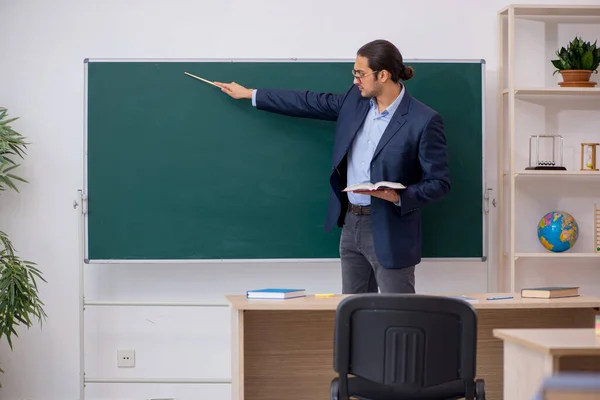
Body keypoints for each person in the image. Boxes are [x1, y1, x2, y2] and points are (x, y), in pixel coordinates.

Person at [215, 39, 450, 294]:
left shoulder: (423, 120)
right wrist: (251, 94)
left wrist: (399, 196)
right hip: (351, 223)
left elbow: (439, 182)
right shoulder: (354, 101)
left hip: (391, 228)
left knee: (398, 313)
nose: (355, 80)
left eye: (360, 74)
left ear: (382, 75)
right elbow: (306, 102)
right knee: (353, 311)